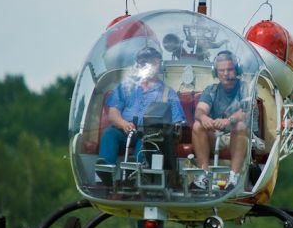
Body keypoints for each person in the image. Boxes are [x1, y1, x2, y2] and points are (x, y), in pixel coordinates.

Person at [98, 46, 185, 165]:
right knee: (110, 134)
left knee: (146, 142)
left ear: (159, 65)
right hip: (125, 129)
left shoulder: (168, 93)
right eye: (144, 62)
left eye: (153, 62)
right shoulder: (125, 86)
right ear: (138, 65)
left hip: (150, 134)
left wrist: (168, 129)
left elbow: (177, 124)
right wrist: (124, 124)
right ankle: (105, 171)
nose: (148, 65)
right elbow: (113, 114)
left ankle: (137, 171)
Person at [192, 50, 256, 191]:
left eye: (230, 69)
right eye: (221, 70)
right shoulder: (211, 90)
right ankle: (204, 174)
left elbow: (246, 110)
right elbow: (200, 110)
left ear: (236, 70)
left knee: (239, 126)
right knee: (198, 125)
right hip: (216, 136)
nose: (226, 74)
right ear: (216, 73)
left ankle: (234, 177)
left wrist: (229, 120)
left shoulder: (245, 88)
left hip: (240, 135)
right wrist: (204, 118)